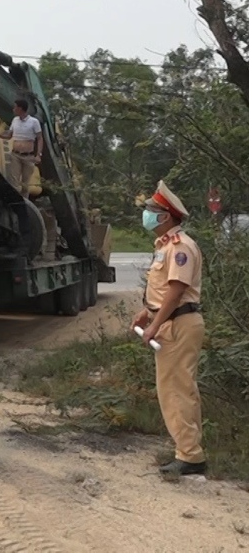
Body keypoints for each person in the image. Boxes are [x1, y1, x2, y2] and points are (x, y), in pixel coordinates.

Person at [130, 180, 206, 476]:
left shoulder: (180, 247)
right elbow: (164, 294)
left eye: (151, 210)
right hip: (174, 322)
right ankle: (189, 451)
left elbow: (176, 292)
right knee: (180, 389)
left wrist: (154, 326)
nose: (146, 214)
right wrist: (146, 314)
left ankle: (190, 457)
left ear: (166, 216)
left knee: (177, 391)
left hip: (178, 325)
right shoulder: (167, 246)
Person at [0, 98, 43, 198]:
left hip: (28, 157)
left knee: (25, 184)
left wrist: (38, 154)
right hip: (15, 154)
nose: (13, 109)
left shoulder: (34, 122)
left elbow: (39, 138)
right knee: (13, 181)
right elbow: (9, 136)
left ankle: (25, 204)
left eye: (15, 107)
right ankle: (14, 201)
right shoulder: (15, 120)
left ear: (20, 109)